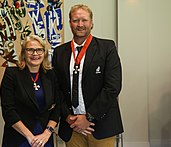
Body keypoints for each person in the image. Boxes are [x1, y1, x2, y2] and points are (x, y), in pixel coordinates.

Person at [52, 4, 123, 147]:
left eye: (84, 20)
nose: (80, 24)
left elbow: (112, 87)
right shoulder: (59, 52)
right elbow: (56, 88)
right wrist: (68, 116)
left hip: (100, 125)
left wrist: (88, 117)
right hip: (72, 127)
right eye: (75, 20)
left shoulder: (107, 48)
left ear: (91, 23)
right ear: (70, 23)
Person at [0, 35, 60, 147]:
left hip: (44, 138)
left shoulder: (51, 75)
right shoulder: (12, 74)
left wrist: (47, 133)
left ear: (44, 53)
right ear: (23, 53)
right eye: (30, 50)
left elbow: (57, 107)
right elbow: (8, 111)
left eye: (39, 50)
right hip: (20, 138)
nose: (35, 54)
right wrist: (30, 137)